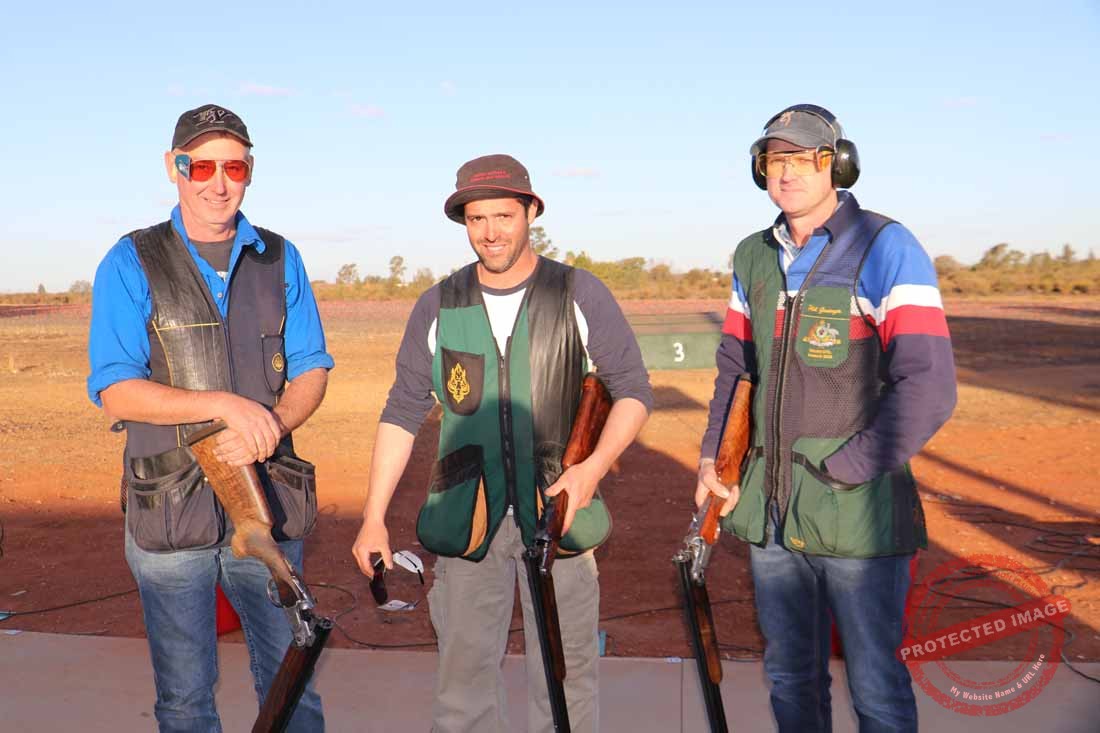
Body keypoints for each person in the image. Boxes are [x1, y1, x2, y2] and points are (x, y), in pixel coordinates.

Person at [352, 154, 652, 733]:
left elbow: (633, 390)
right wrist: (372, 518)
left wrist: (590, 471)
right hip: (467, 518)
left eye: (504, 215)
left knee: (566, 683)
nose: (490, 232)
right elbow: (402, 410)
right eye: (476, 218)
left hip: (561, 513)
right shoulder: (439, 304)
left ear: (531, 212)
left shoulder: (578, 293)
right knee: (462, 689)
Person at [695, 104, 956, 732]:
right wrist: (713, 456)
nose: (788, 173)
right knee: (789, 673)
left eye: (805, 158)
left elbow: (929, 384)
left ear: (837, 164)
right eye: (774, 160)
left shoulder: (885, 244)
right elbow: (736, 365)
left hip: (856, 513)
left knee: (875, 685)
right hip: (773, 513)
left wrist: (848, 469)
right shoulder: (753, 255)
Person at [86, 103, 332, 732]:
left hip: (266, 503)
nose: (218, 182)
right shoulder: (130, 260)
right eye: (201, 166)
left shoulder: (281, 258)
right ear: (176, 168)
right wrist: (224, 406)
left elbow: (311, 368)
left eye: (235, 166)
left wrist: (272, 424)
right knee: (186, 697)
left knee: (292, 683)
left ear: (249, 172)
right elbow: (116, 390)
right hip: (170, 506)